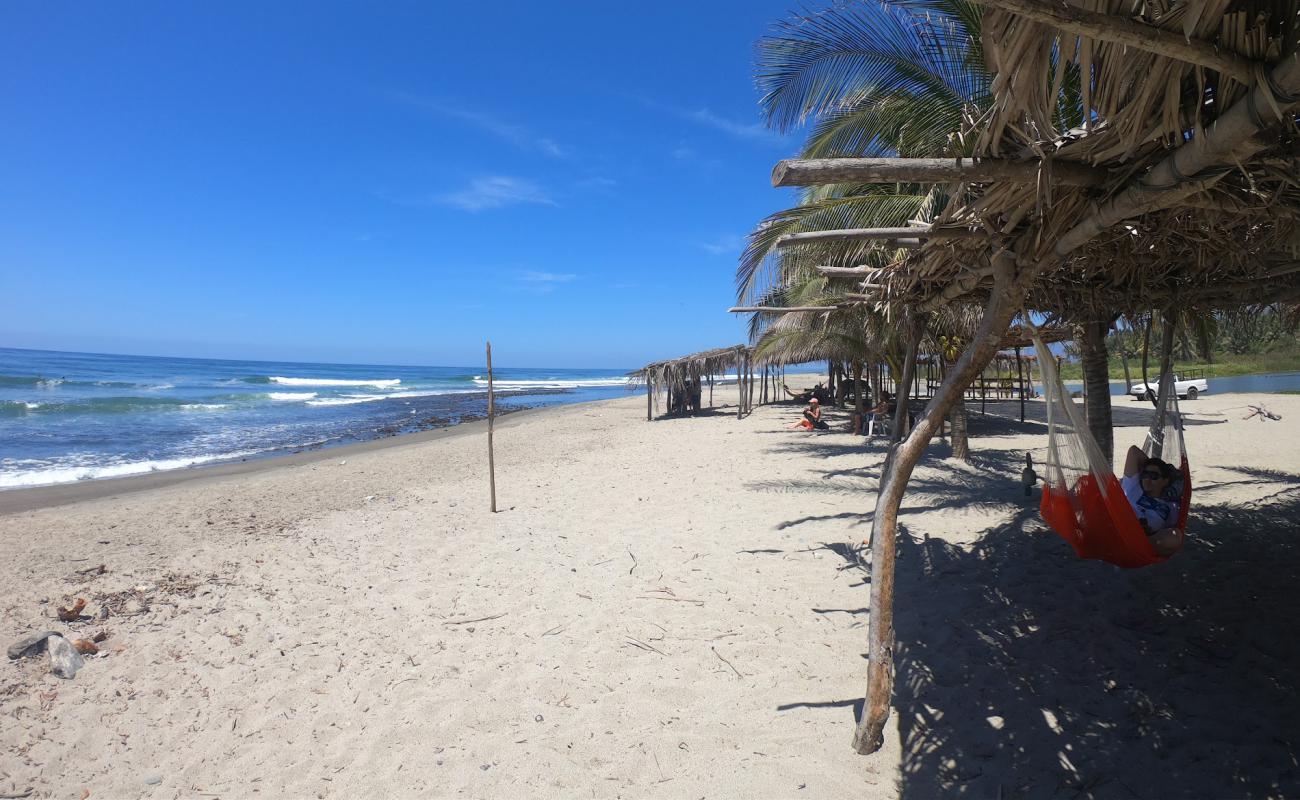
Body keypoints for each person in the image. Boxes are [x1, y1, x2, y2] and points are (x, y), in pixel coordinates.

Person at [1121, 445, 1183, 557]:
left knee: (1176, 536)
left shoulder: (1171, 505)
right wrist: (1151, 464)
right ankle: (1135, 540)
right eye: (1145, 475)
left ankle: (1139, 542)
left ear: (1165, 481)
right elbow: (1133, 451)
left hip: (1148, 538)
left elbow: (1172, 533)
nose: (1148, 480)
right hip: (1123, 527)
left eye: (1154, 476)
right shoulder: (1133, 488)